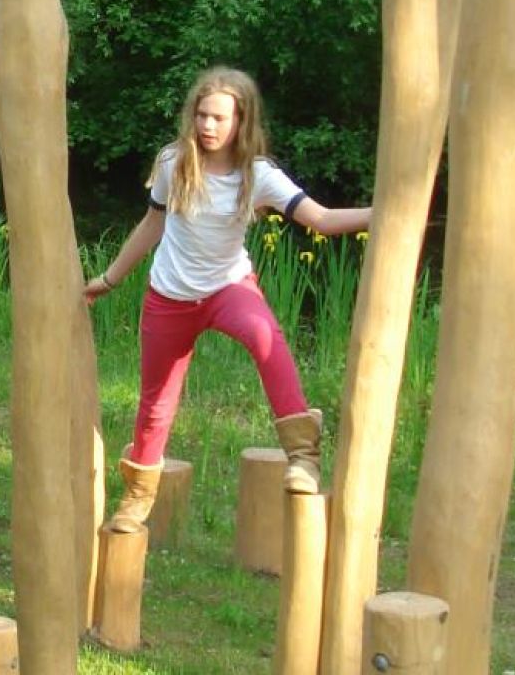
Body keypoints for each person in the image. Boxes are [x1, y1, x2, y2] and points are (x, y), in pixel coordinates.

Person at [83, 66, 371, 534]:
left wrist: (386, 213)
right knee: (156, 401)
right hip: (169, 296)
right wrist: (110, 278)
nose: (208, 126)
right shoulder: (174, 162)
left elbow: (321, 219)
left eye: (219, 118)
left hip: (227, 288)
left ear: (242, 122)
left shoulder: (259, 176)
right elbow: (151, 224)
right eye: (201, 115)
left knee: (265, 338)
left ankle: (303, 454)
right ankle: (139, 493)